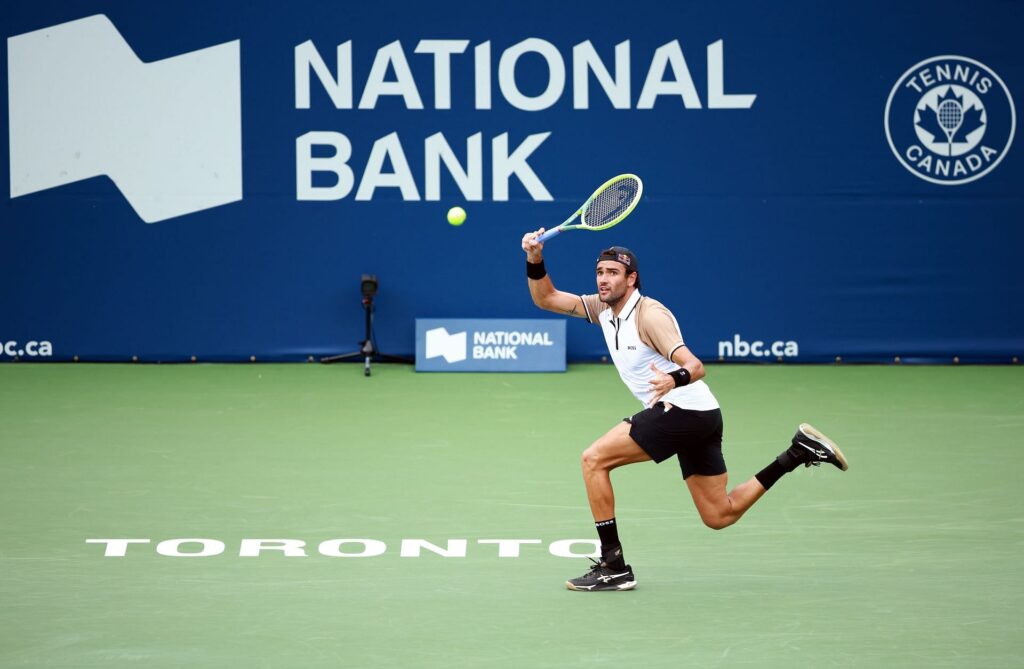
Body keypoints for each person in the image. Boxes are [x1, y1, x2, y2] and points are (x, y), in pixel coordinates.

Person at [521, 231, 849, 592]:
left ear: (631, 279)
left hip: (682, 410)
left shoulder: (650, 315)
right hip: (703, 414)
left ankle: (613, 565)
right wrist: (535, 257)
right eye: (600, 271)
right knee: (719, 515)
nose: (603, 278)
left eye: (613, 272)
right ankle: (796, 452)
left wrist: (672, 381)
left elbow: (694, 365)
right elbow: (546, 298)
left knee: (593, 460)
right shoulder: (602, 310)